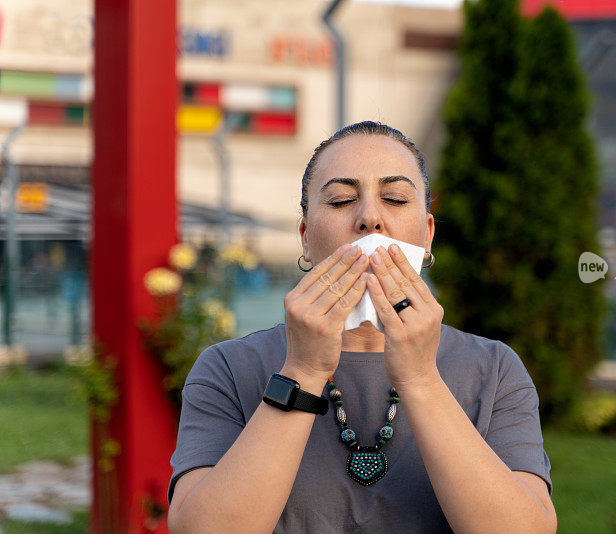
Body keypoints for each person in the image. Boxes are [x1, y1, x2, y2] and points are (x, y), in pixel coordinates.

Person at [166, 121, 556, 533]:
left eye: (394, 198)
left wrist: (420, 378)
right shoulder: (228, 368)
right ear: (305, 237)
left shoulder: (494, 369)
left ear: (426, 237)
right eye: (339, 201)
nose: (370, 218)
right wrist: (302, 372)